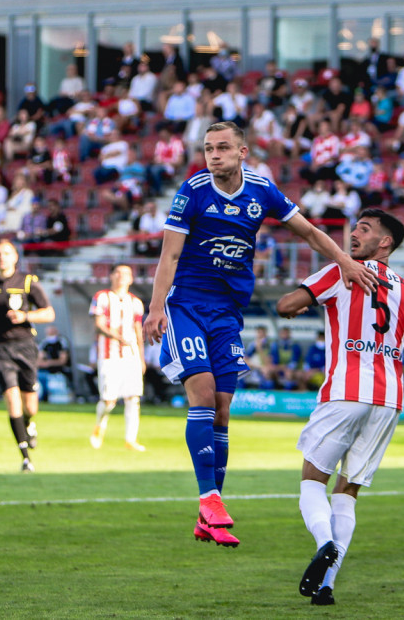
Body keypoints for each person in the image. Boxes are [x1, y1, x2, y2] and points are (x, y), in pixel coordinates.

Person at [143, 122, 378, 549]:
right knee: (203, 389)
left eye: (223, 148)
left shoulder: (261, 190)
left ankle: (207, 515)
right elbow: (170, 253)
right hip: (187, 305)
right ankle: (210, 498)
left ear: (242, 152)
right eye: (208, 148)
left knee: (222, 409)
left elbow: (306, 230)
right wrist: (157, 307)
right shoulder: (192, 190)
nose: (214, 155)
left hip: (229, 312)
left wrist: (344, 259)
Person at [275, 208, 404, 606]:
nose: (354, 234)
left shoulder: (342, 271)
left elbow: (286, 305)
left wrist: (299, 304)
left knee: (311, 480)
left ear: (385, 242)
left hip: (344, 393)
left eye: (365, 229)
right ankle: (327, 586)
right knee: (348, 492)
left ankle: (324, 544)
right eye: (355, 227)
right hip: (388, 402)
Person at [0, 239, 56, 473]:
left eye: (6, 253)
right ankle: (25, 457)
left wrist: (25, 316)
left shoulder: (28, 282)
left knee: (31, 404)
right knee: (12, 398)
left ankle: (29, 423)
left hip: (26, 346)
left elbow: (49, 313)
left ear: (15, 257)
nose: (2, 257)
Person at [89, 264, 147, 452]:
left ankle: (131, 439)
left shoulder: (136, 302)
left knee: (133, 398)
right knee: (109, 400)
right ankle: (100, 427)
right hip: (109, 354)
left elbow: (138, 331)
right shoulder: (102, 297)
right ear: (112, 276)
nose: (122, 276)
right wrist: (117, 337)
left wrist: (141, 357)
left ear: (131, 279)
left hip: (130, 356)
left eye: (126, 273)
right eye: (118, 272)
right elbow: (98, 325)